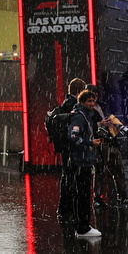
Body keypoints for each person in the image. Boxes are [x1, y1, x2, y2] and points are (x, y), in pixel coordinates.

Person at [68, 90, 103, 238]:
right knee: (82, 195)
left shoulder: (86, 116)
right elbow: (73, 136)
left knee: (83, 195)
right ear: (82, 102)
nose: (92, 104)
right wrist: (90, 142)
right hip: (81, 162)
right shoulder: (79, 117)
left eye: (93, 101)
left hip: (84, 161)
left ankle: (83, 226)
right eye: (89, 101)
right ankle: (82, 228)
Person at [55, 77, 87, 224]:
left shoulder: (65, 103)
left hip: (65, 147)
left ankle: (64, 209)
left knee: (66, 177)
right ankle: (69, 210)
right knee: (72, 179)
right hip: (71, 147)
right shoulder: (75, 105)